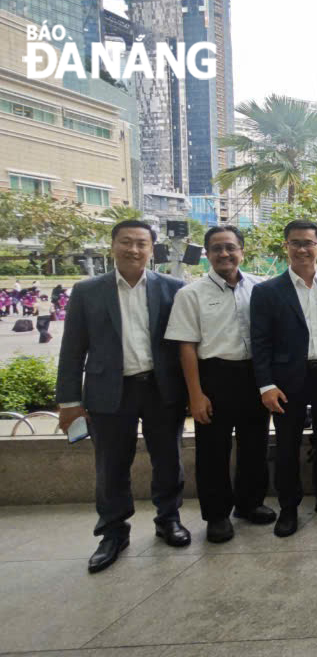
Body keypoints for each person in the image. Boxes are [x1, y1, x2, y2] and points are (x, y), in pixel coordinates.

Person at [56, 220, 189, 573]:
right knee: (111, 465)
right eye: (126, 242)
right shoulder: (88, 291)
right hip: (109, 391)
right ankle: (113, 532)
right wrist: (69, 402)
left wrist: (195, 391)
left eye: (141, 243)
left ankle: (168, 519)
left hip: (161, 389)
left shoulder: (173, 288)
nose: (133, 249)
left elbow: (187, 344)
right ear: (113, 245)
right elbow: (72, 351)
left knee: (168, 459)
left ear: (151, 249)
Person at [164, 226, 274, 543]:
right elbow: (186, 346)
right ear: (207, 254)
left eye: (230, 247)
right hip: (214, 376)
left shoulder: (260, 288)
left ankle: (250, 503)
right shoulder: (191, 294)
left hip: (254, 376)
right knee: (213, 451)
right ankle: (217, 516)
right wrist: (195, 395)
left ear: (242, 250)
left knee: (255, 445)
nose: (224, 254)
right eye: (216, 248)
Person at [250, 220, 317, 538]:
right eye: (295, 242)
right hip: (287, 380)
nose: (301, 248)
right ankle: (289, 508)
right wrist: (266, 385)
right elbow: (260, 342)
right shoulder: (267, 291)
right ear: (286, 247)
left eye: (308, 242)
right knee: (286, 445)